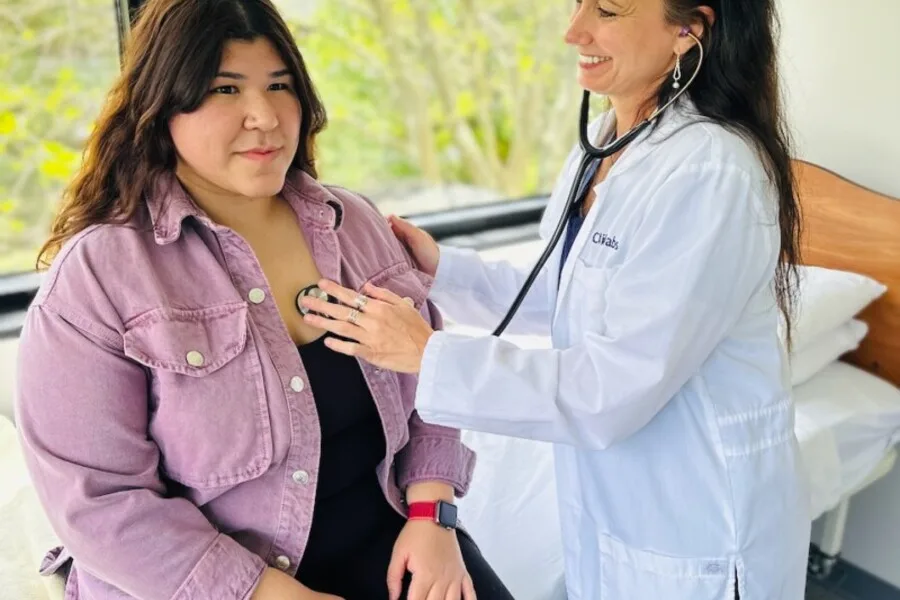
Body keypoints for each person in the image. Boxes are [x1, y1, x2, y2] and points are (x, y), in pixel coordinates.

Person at [300, 0, 811, 598]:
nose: (574, 31)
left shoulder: (711, 172)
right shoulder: (606, 144)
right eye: (576, 4)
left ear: (688, 29)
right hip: (618, 506)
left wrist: (428, 354)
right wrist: (443, 270)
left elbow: (612, 389)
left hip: (695, 517)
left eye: (609, 11)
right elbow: (570, 294)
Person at [14, 0, 517, 599]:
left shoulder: (351, 222)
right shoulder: (98, 277)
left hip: (398, 544)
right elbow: (98, 504)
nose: (265, 116)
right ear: (163, 106)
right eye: (225, 89)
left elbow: (431, 383)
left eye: (279, 86)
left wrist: (434, 517)